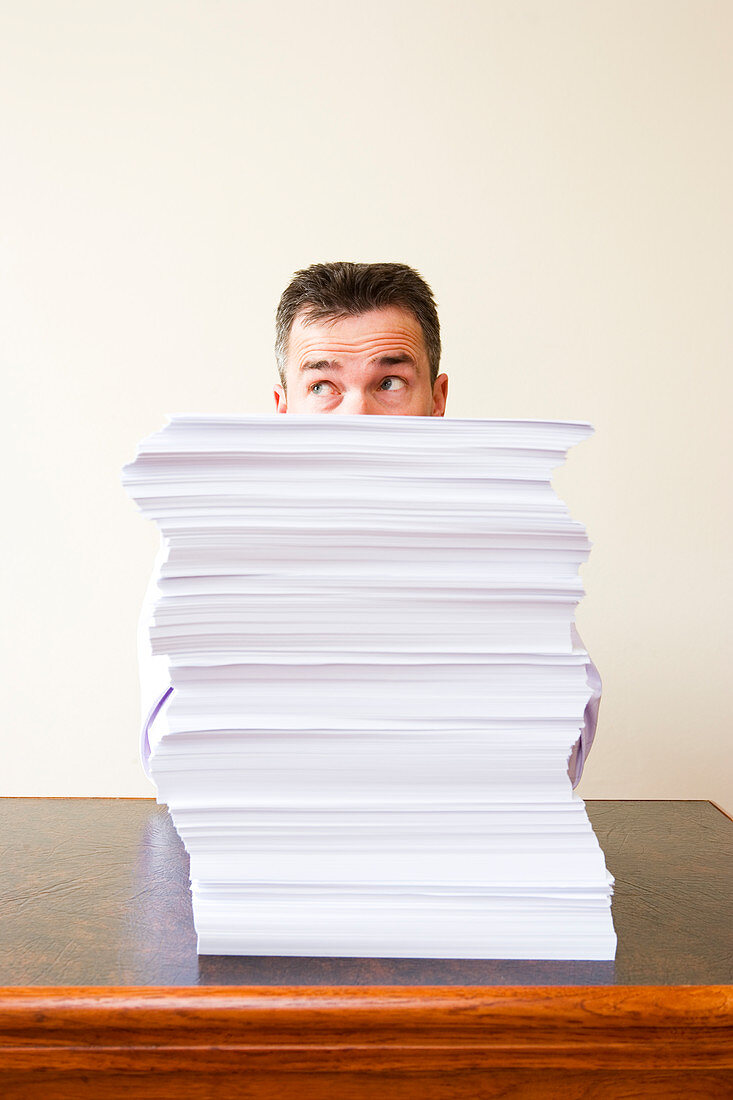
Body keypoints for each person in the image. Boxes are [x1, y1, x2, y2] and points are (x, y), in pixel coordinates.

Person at [139, 261, 600, 785]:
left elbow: (560, 744)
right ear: (284, 407)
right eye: (322, 386)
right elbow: (175, 752)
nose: (357, 416)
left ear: (437, 400)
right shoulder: (209, 551)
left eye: (390, 382)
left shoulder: (505, 544)